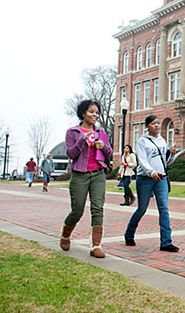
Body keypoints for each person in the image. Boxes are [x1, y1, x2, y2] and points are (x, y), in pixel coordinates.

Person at [59, 100, 113, 258]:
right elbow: (71, 154)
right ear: (83, 113)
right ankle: (65, 235)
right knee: (77, 210)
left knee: (97, 208)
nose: (95, 115)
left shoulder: (100, 132)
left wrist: (104, 146)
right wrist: (83, 140)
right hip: (79, 174)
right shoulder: (73, 132)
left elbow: (109, 153)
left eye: (97, 112)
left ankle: (96, 246)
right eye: (91, 112)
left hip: (98, 173)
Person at [124, 115, 178, 252]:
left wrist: (172, 154)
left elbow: (166, 162)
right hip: (145, 179)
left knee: (163, 209)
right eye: (154, 123)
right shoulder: (142, 142)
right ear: (147, 126)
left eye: (158, 123)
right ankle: (129, 234)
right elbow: (142, 160)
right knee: (142, 209)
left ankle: (166, 242)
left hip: (161, 179)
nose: (157, 125)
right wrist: (151, 172)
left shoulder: (162, 141)